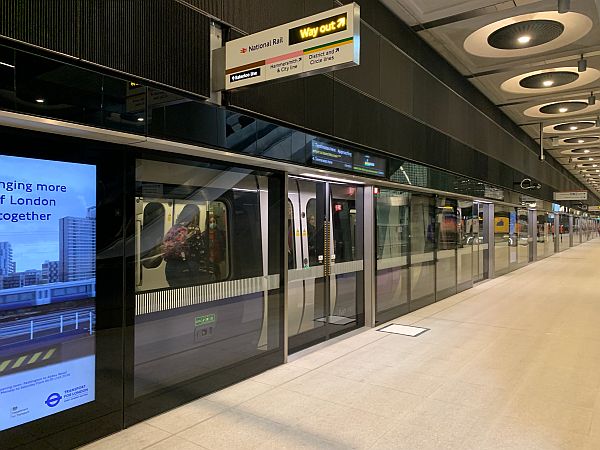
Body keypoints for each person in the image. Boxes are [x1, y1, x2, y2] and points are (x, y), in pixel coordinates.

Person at [162, 205, 203, 287]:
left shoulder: (173, 228)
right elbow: (199, 248)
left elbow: (164, 246)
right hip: (186, 266)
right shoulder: (194, 229)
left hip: (170, 267)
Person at [203, 213, 226, 279]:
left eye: (214, 221)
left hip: (219, 259)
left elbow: (223, 246)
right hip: (209, 259)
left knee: (220, 275)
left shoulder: (221, 233)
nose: (212, 223)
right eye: (210, 222)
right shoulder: (204, 234)